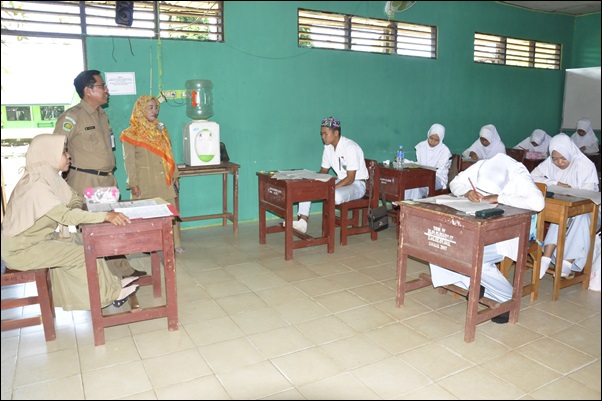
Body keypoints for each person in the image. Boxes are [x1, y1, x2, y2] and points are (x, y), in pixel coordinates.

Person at [1, 134, 139, 310]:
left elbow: (73, 199)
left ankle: (112, 285)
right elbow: (66, 217)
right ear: (48, 155)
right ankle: (110, 295)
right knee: (83, 254)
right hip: (21, 249)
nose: (69, 156)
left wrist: (77, 207)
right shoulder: (36, 186)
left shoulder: (50, 177)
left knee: (87, 242)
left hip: (39, 240)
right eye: (64, 152)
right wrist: (105, 216)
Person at [428, 153, 545, 323]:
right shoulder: (482, 165)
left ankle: (506, 298)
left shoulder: (518, 173)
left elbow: (538, 203)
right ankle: (473, 284)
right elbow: (454, 183)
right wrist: (468, 192)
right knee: (441, 243)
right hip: (479, 226)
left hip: (508, 233)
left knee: (474, 256)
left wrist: (498, 197)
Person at [53, 69, 144, 277]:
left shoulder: (101, 115)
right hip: (85, 179)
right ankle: (98, 277)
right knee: (92, 230)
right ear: (88, 90)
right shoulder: (73, 117)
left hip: (105, 180)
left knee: (113, 224)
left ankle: (121, 270)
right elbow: (56, 147)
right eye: (102, 86)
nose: (106, 90)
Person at [531, 133, 600, 279]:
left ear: (570, 153)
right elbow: (532, 176)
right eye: (555, 158)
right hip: (565, 206)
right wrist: (555, 183)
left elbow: (588, 196)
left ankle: (567, 262)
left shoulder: (585, 165)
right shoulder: (550, 163)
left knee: (577, 217)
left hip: (589, 209)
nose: (559, 163)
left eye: (563, 158)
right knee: (561, 213)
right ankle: (546, 257)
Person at [121, 95, 183, 253]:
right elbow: (129, 161)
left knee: (169, 211)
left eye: (156, 107)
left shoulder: (160, 128)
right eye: (150, 107)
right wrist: (133, 183)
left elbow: (169, 153)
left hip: (164, 179)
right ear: (141, 109)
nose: (154, 111)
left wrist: (174, 174)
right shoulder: (130, 133)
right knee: (147, 214)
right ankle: (148, 246)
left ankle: (174, 244)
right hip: (145, 182)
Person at [289, 116, 369, 233]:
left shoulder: (350, 147)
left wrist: (331, 187)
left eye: (326, 134)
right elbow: (323, 171)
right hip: (340, 181)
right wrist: (313, 181)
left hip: (356, 184)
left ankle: (328, 235)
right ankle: (303, 221)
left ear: (336, 133)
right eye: (321, 134)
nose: (323, 137)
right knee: (307, 188)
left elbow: (351, 178)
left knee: (334, 195)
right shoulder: (328, 147)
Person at [405, 123, 452, 199]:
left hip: (437, 178)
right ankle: (404, 206)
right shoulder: (421, 146)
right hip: (421, 175)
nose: (433, 142)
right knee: (407, 183)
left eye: (436, 140)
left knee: (418, 185)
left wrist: (425, 176)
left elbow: (439, 171)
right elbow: (420, 164)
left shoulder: (444, 151)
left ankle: (416, 206)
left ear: (441, 139)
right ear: (428, 135)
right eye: (431, 138)